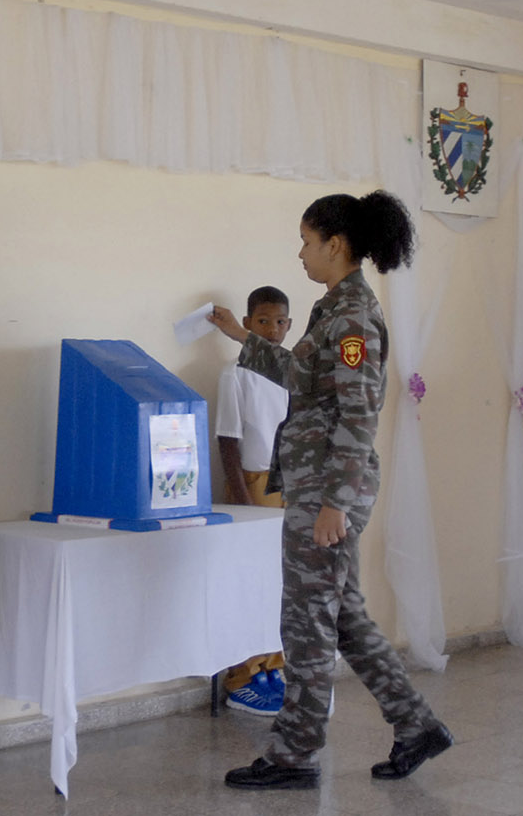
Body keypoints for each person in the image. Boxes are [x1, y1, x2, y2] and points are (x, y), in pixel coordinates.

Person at [208, 191, 452, 791]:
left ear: (335, 245)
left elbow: (360, 410)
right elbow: (299, 376)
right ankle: (416, 724)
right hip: (323, 485)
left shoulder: (351, 318)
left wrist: (336, 504)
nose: (300, 253)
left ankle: (294, 753)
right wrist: (243, 336)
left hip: (329, 491)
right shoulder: (333, 309)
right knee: (342, 617)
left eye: (306, 241)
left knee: (307, 622)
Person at [215, 286, 292, 717]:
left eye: (280, 322)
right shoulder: (236, 373)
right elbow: (228, 439)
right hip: (252, 484)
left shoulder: (289, 372)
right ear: (246, 324)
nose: (273, 329)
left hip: (287, 482)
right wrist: (242, 502)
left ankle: (273, 666)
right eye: (263, 321)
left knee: (279, 581)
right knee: (250, 579)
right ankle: (244, 675)